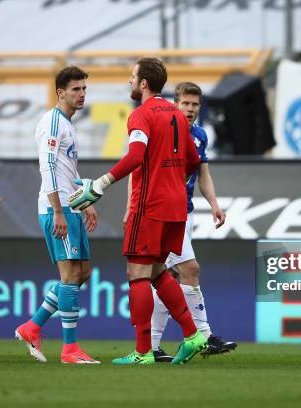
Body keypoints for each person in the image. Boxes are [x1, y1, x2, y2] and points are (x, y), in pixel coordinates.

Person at [68, 58, 205, 365]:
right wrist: (172, 179)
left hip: (150, 205)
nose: (129, 82)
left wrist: (102, 182)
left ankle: (143, 352)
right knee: (157, 270)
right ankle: (193, 335)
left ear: (144, 84)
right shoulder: (177, 115)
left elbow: (136, 155)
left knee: (137, 274)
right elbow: (193, 160)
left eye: (132, 77)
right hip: (176, 204)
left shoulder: (140, 116)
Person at [14, 66, 99, 365]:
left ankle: (32, 326)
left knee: (83, 274)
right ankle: (70, 350)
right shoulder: (52, 122)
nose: (82, 94)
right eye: (76, 89)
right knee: (69, 276)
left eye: (84, 89)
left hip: (70, 206)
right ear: (60, 92)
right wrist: (59, 210)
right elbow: (47, 167)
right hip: (56, 208)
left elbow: (68, 170)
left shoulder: (68, 123)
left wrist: (84, 200)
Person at [148, 82, 236, 362]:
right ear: (175, 104)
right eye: (185, 103)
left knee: (168, 277)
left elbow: (203, 174)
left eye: (195, 104)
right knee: (190, 269)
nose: (190, 109)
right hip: (165, 214)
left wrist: (214, 204)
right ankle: (205, 336)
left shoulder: (199, 136)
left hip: (185, 213)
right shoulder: (163, 131)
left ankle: (151, 346)